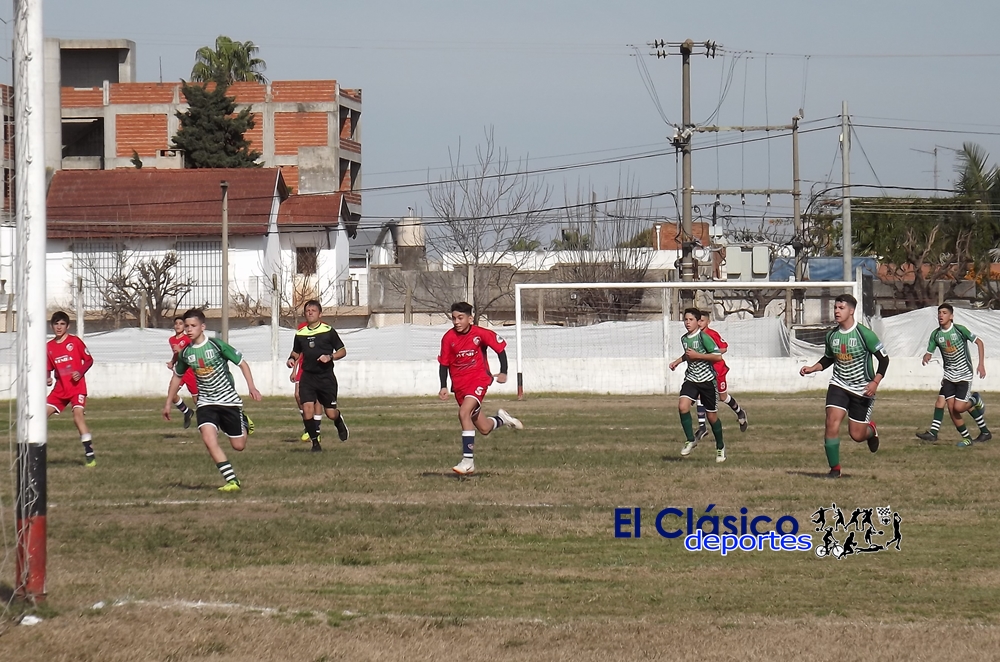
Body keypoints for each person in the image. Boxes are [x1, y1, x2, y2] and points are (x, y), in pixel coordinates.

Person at [162, 308, 261, 492]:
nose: (189, 329)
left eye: (193, 326)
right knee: (208, 439)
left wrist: (252, 387)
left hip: (228, 401)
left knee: (238, 446)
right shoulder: (185, 353)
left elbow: (242, 363)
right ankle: (232, 481)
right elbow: (177, 377)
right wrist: (168, 402)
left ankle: (244, 422)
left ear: (203, 327)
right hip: (205, 402)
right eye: (186, 326)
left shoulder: (216, 345)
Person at [799, 294, 889, 478]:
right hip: (839, 384)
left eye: (841, 308)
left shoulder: (865, 334)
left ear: (851, 311)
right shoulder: (832, 335)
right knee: (831, 422)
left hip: (862, 389)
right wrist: (813, 368)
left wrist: (875, 382)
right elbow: (829, 358)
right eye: (835, 308)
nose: (837, 311)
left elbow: (884, 360)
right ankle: (835, 469)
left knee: (856, 435)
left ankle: (871, 431)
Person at [437, 302, 523, 475]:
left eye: (460, 318)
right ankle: (502, 419)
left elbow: (500, 349)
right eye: (454, 318)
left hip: (479, 380)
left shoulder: (480, 334)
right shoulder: (448, 338)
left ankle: (468, 461)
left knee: (463, 413)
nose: (456, 322)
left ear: (470, 319)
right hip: (460, 386)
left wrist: (504, 371)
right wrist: (443, 386)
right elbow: (444, 364)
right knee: (484, 428)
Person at [915, 303, 991, 446]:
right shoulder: (936, 334)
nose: (941, 315)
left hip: (964, 375)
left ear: (951, 316)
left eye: (944, 313)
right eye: (939, 313)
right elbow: (930, 350)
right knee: (951, 408)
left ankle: (975, 399)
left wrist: (981, 364)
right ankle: (967, 438)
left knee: (959, 407)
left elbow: (980, 343)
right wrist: (927, 356)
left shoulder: (960, 330)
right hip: (949, 376)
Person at [286, 300, 349, 452]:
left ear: (320, 314)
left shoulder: (328, 331)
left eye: (313, 310)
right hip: (308, 377)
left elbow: (342, 351)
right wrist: (291, 359)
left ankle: (338, 420)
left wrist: (330, 357)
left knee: (330, 413)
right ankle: (315, 443)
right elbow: (296, 351)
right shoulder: (300, 333)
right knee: (307, 408)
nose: (310, 313)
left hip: (325, 377)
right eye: (307, 310)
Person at [669, 308, 727, 463]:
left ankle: (720, 447)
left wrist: (698, 356)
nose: (688, 323)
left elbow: (718, 356)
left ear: (697, 321)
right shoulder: (684, 338)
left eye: (691, 320)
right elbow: (688, 355)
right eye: (685, 320)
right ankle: (690, 440)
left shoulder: (704, 337)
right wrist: (677, 362)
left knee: (712, 417)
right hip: (691, 379)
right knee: (682, 406)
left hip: (707, 381)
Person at [46, 311, 96, 467]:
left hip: (77, 388)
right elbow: (48, 367)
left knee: (77, 417)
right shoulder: (49, 347)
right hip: (60, 389)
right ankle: (34, 453)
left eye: (62, 324)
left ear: (67, 326)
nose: (59, 327)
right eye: (56, 324)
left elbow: (89, 360)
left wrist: (80, 372)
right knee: (39, 416)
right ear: (51, 326)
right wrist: (47, 377)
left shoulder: (75, 342)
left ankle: (90, 454)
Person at [693, 311, 748, 441]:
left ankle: (740, 412)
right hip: (704, 371)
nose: (699, 323)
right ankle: (702, 427)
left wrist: (710, 354)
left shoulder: (712, 334)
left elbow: (724, 348)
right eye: (698, 321)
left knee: (723, 397)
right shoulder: (695, 336)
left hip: (718, 370)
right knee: (700, 395)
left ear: (708, 322)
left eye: (702, 321)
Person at [166, 315, 197, 429]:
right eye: (176, 324)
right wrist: (172, 362)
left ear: (184, 326)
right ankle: (187, 412)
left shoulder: (188, 339)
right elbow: (176, 354)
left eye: (180, 323)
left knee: (196, 399)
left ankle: (208, 418)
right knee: (172, 395)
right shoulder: (172, 340)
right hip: (179, 371)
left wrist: (181, 350)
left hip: (190, 371)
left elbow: (191, 354)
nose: (178, 326)